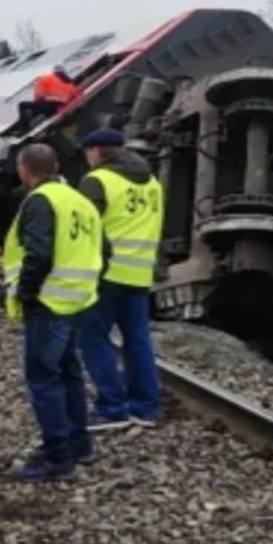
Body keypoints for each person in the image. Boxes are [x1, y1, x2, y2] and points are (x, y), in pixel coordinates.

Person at [2, 143, 102, 481]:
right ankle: (80, 444)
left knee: (43, 378)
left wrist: (27, 294)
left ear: (24, 168)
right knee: (69, 372)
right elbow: (106, 249)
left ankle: (57, 457)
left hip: (48, 302)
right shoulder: (80, 200)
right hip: (76, 300)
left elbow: (38, 254)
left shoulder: (41, 200)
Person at [76, 128, 165, 429]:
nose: (86, 158)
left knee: (92, 337)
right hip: (139, 274)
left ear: (96, 151)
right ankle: (145, 408)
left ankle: (111, 408)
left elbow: (85, 229)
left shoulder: (97, 181)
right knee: (137, 341)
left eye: (87, 151)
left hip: (105, 274)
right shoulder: (153, 183)